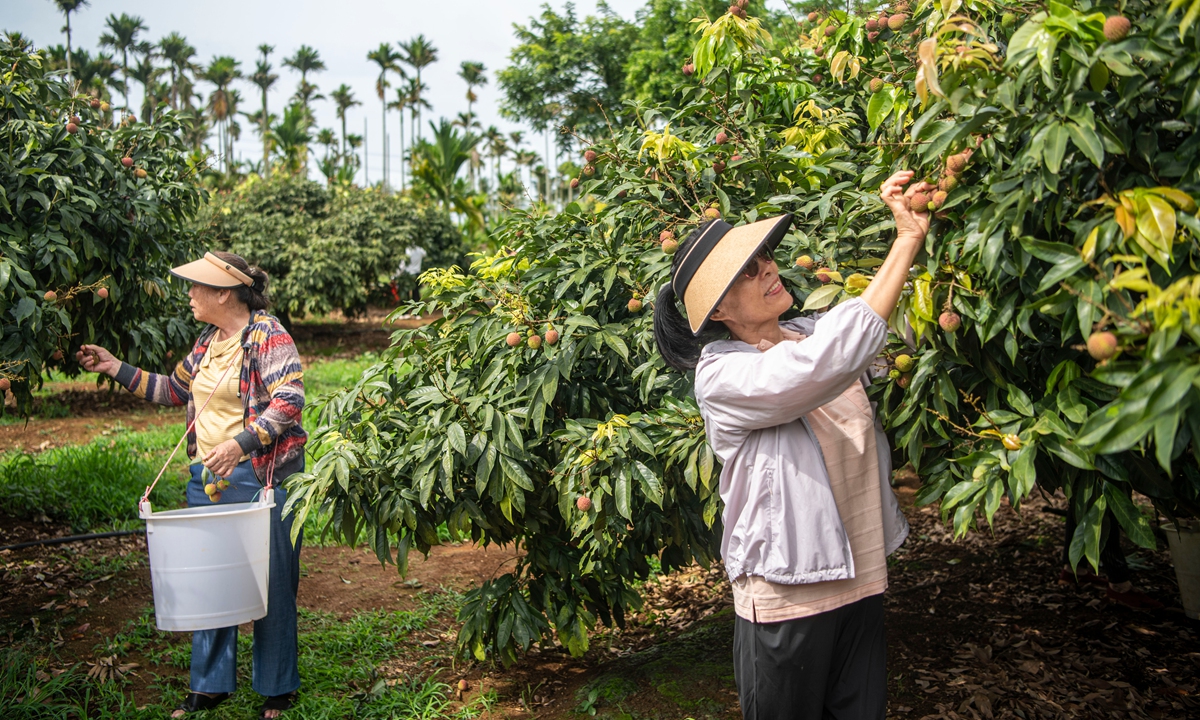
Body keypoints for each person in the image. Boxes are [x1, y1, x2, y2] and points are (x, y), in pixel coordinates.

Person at [653, 171, 931, 719]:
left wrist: (931, 226)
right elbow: (827, 362)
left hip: (862, 576)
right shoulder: (724, 377)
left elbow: (902, 334)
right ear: (719, 314)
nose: (768, 270)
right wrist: (905, 241)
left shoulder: (815, 332)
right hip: (789, 594)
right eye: (746, 272)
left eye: (763, 258)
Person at [76, 251, 306, 719]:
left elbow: (290, 399)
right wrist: (114, 366)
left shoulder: (267, 334)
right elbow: (173, 390)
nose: (189, 294)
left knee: (273, 582)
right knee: (212, 578)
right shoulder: (207, 340)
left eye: (197, 286)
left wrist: (241, 445)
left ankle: (277, 687)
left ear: (224, 292)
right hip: (208, 476)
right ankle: (210, 684)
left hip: (261, 475)